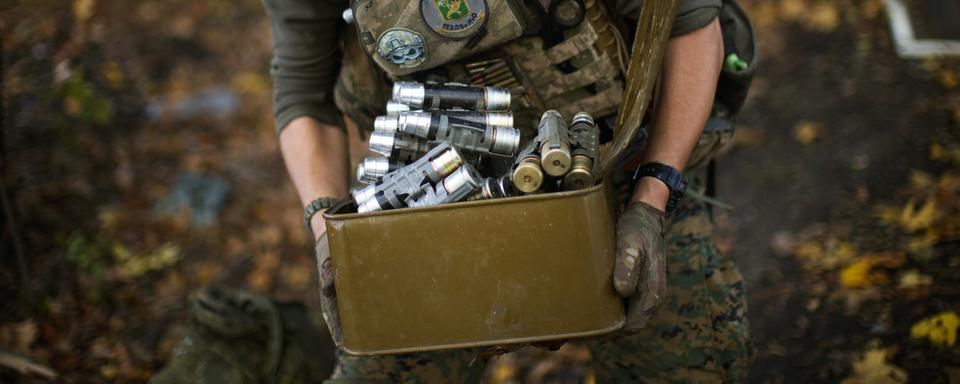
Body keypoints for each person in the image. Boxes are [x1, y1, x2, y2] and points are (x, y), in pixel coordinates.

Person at [264, 0, 755, 382]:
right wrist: (327, 228)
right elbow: (304, 91)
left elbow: (690, 28)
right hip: (427, 199)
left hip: (619, 170)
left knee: (681, 364)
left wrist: (652, 199)